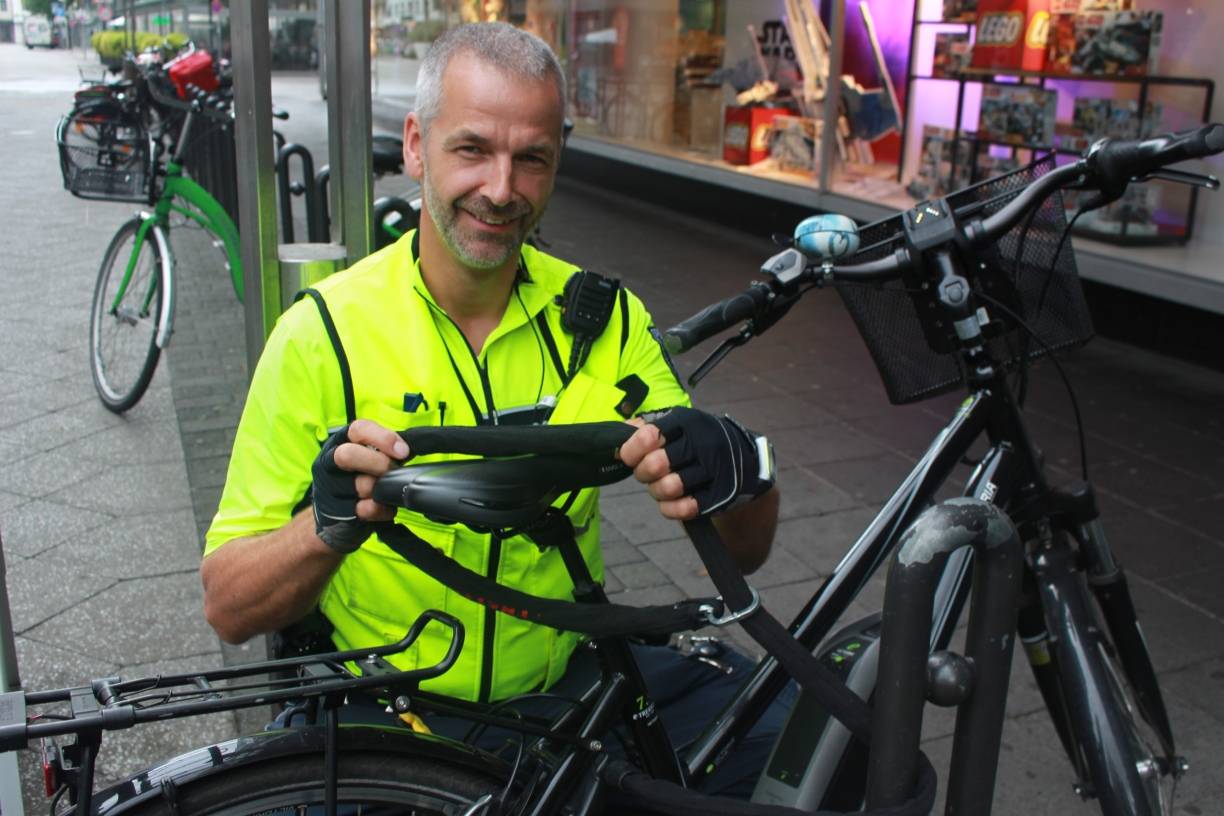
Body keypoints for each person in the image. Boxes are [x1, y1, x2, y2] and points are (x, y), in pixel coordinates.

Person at [201, 21, 783, 796]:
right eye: (472, 149)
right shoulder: (323, 335)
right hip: (387, 712)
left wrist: (741, 475)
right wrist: (326, 527)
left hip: (571, 688)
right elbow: (229, 607)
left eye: (531, 158)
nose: (503, 189)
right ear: (415, 145)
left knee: (803, 737)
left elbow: (743, 550)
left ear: (556, 161)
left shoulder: (604, 320)